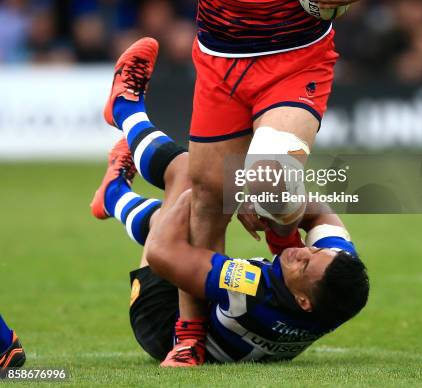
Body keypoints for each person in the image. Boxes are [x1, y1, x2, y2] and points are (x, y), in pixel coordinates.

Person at [19, 0, 388, 364]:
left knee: (267, 174)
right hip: (221, 66)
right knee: (207, 202)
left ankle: (281, 244)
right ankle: (189, 338)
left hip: (297, 60)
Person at [90, 50, 369, 366]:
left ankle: (125, 111)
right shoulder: (337, 284)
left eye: (304, 265)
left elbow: (163, 252)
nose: (304, 252)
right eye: (315, 252)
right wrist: (274, 218)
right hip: (220, 308)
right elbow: (319, 212)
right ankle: (113, 196)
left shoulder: (252, 291)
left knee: (188, 176)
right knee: (196, 204)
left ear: (303, 301)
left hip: (159, 316)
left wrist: (207, 195)